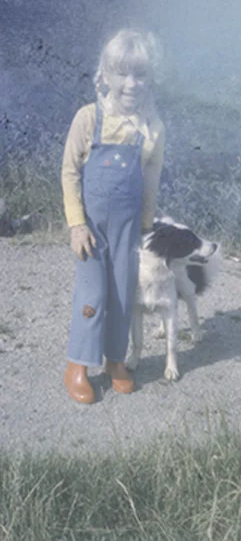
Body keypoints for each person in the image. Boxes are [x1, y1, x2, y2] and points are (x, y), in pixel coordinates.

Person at [62, 30, 165, 404]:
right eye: (122, 73)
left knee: (123, 294)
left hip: (128, 231)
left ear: (150, 79)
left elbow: (150, 180)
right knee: (94, 294)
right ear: (104, 75)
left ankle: (114, 360)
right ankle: (78, 365)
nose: (131, 84)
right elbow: (70, 172)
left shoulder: (151, 129)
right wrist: (76, 224)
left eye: (140, 75)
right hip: (91, 232)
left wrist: (147, 230)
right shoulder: (89, 119)